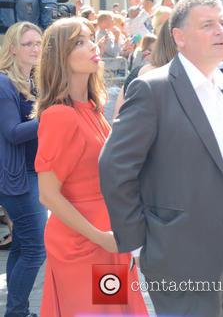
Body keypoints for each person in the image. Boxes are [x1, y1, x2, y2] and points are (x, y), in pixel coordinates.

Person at [100, 0, 223, 317]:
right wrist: (140, 244)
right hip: (180, 258)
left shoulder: (219, 86)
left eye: (222, 23)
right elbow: (115, 166)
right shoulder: (152, 89)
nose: (220, 31)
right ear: (179, 37)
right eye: (207, 25)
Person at [34, 17, 148, 317]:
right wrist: (100, 237)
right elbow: (48, 195)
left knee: (114, 310)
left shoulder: (93, 108)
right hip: (82, 244)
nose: (93, 46)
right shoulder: (60, 115)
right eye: (80, 42)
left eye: (91, 38)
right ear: (61, 56)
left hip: (108, 236)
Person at [0, 21, 47, 317]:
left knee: (22, 245)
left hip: (32, 173)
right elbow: (13, 132)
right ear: (12, 48)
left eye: (38, 43)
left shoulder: (32, 81)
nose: (35, 49)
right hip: (17, 177)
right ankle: (16, 312)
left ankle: (18, 310)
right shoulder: (4, 82)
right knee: (35, 250)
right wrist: (50, 116)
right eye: (28, 44)